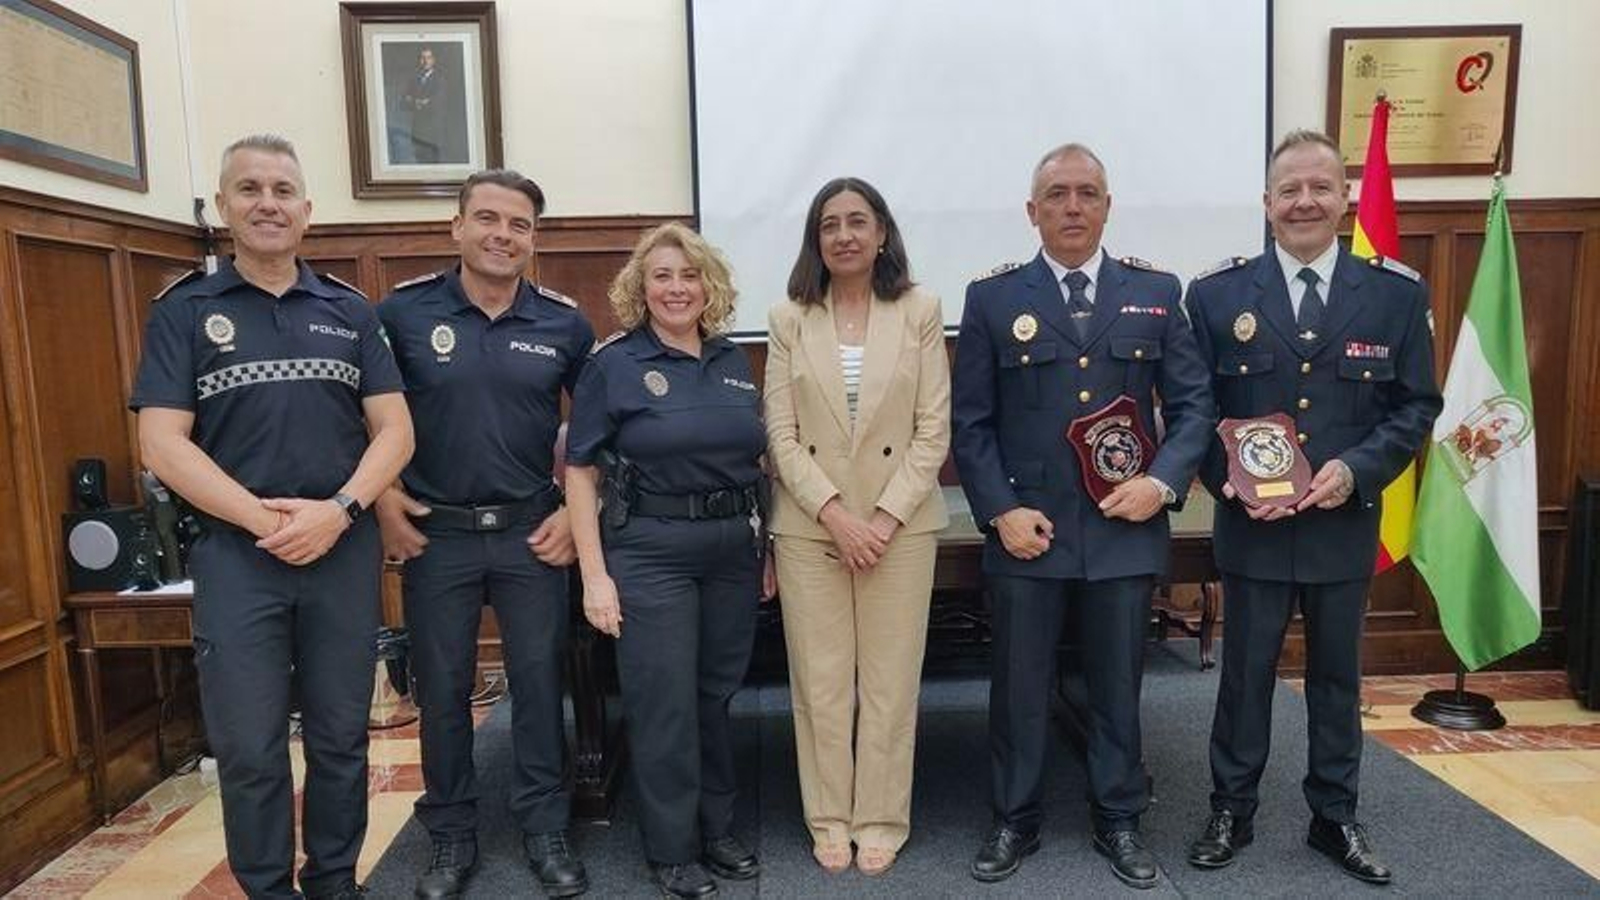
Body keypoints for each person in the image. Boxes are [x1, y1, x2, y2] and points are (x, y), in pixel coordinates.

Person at [131, 134, 414, 899]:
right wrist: (267, 522)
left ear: (307, 211)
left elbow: (395, 431)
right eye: (249, 189)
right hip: (236, 560)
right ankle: (267, 889)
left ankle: (333, 883)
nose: (267, 203)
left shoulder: (350, 312)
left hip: (342, 554)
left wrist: (340, 510)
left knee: (340, 739)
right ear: (224, 207)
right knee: (251, 748)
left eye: (283, 190)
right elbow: (161, 442)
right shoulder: (184, 311)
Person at [952, 143, 1214, 889]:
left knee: (1117, 685)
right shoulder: (993, 299)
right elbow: (971, 423)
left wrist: (1162, 483)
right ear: (1031, 211)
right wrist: (999, 510)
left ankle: (1120, 819)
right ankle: (1014, 817)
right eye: (1058, 194)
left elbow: (1194, 408)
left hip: (1124, 528)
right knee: (1019, 683)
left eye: (1087, 193)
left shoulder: (1157, 292)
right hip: (1027, 532)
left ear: (1108, 205)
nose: (1073, 206)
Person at [1183, 129, 1442, 886]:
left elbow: (1414, 407)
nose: (1304, 201)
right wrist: (1223, 479)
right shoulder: (1217, 295)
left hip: (1340, 524)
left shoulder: (1395, 294)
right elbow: (1195, 409)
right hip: (1253, 530)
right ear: (1266, 205)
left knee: (1337, 679)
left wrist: (1355, 470)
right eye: (1288, 189)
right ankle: (1232, 807)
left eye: (1319, 188)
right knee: (1244, 677)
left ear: (1344, 200)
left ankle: (1335, 814)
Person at [373, 169, 593, 899]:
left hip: (534, 533)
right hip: (437, 537)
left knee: (537, 687)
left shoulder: (564, 323)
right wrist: (384, 500)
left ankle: (543, 828)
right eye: (489, 219)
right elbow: (360, 416)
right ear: (457, 227)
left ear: (535, 237)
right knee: (442, 691)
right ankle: (451, 836)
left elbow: (598, 434)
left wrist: (571, 511)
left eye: (520, 224)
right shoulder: (401, 316)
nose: (504, 234)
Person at [565, 222, 771, 899]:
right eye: (662, 276)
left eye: (689, 275)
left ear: (709, 285)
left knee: (714, 696)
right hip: (651, 552)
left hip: (732, 555)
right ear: (640, 287)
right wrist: (595, 576)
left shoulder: (733, 360)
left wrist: (762, 549)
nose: (677, 287)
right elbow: (581, 473)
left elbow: (755, 464)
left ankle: (717, 829)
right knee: (664, 705)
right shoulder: (614, 364)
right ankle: (673, 849)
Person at [763, 177, 950, 876]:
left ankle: (879, 816)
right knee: (820, 681)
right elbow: (781, 436)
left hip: (899, 526)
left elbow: (933, 430)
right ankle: (829, 816)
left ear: (880, 234)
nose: (844, 235)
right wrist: (838, 516)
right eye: (830, 224)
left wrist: (881, 518)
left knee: (890, 681)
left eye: (857, 222)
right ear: (817, 240)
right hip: (814, 526)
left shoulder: (920, 309)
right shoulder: (788, 317)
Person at [402, 47, 446, 164]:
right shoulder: (414, 80)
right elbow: (403, 102)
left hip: (433, 131)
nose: (426, 61)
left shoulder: (440, 79)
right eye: (423, 58)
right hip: (417, 130)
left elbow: (437, 103)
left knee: (432, 163)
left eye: (429, 58)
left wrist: (414, 101)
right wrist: (420, 102)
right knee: (419, 162)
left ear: (433, 60)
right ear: (419, 60)